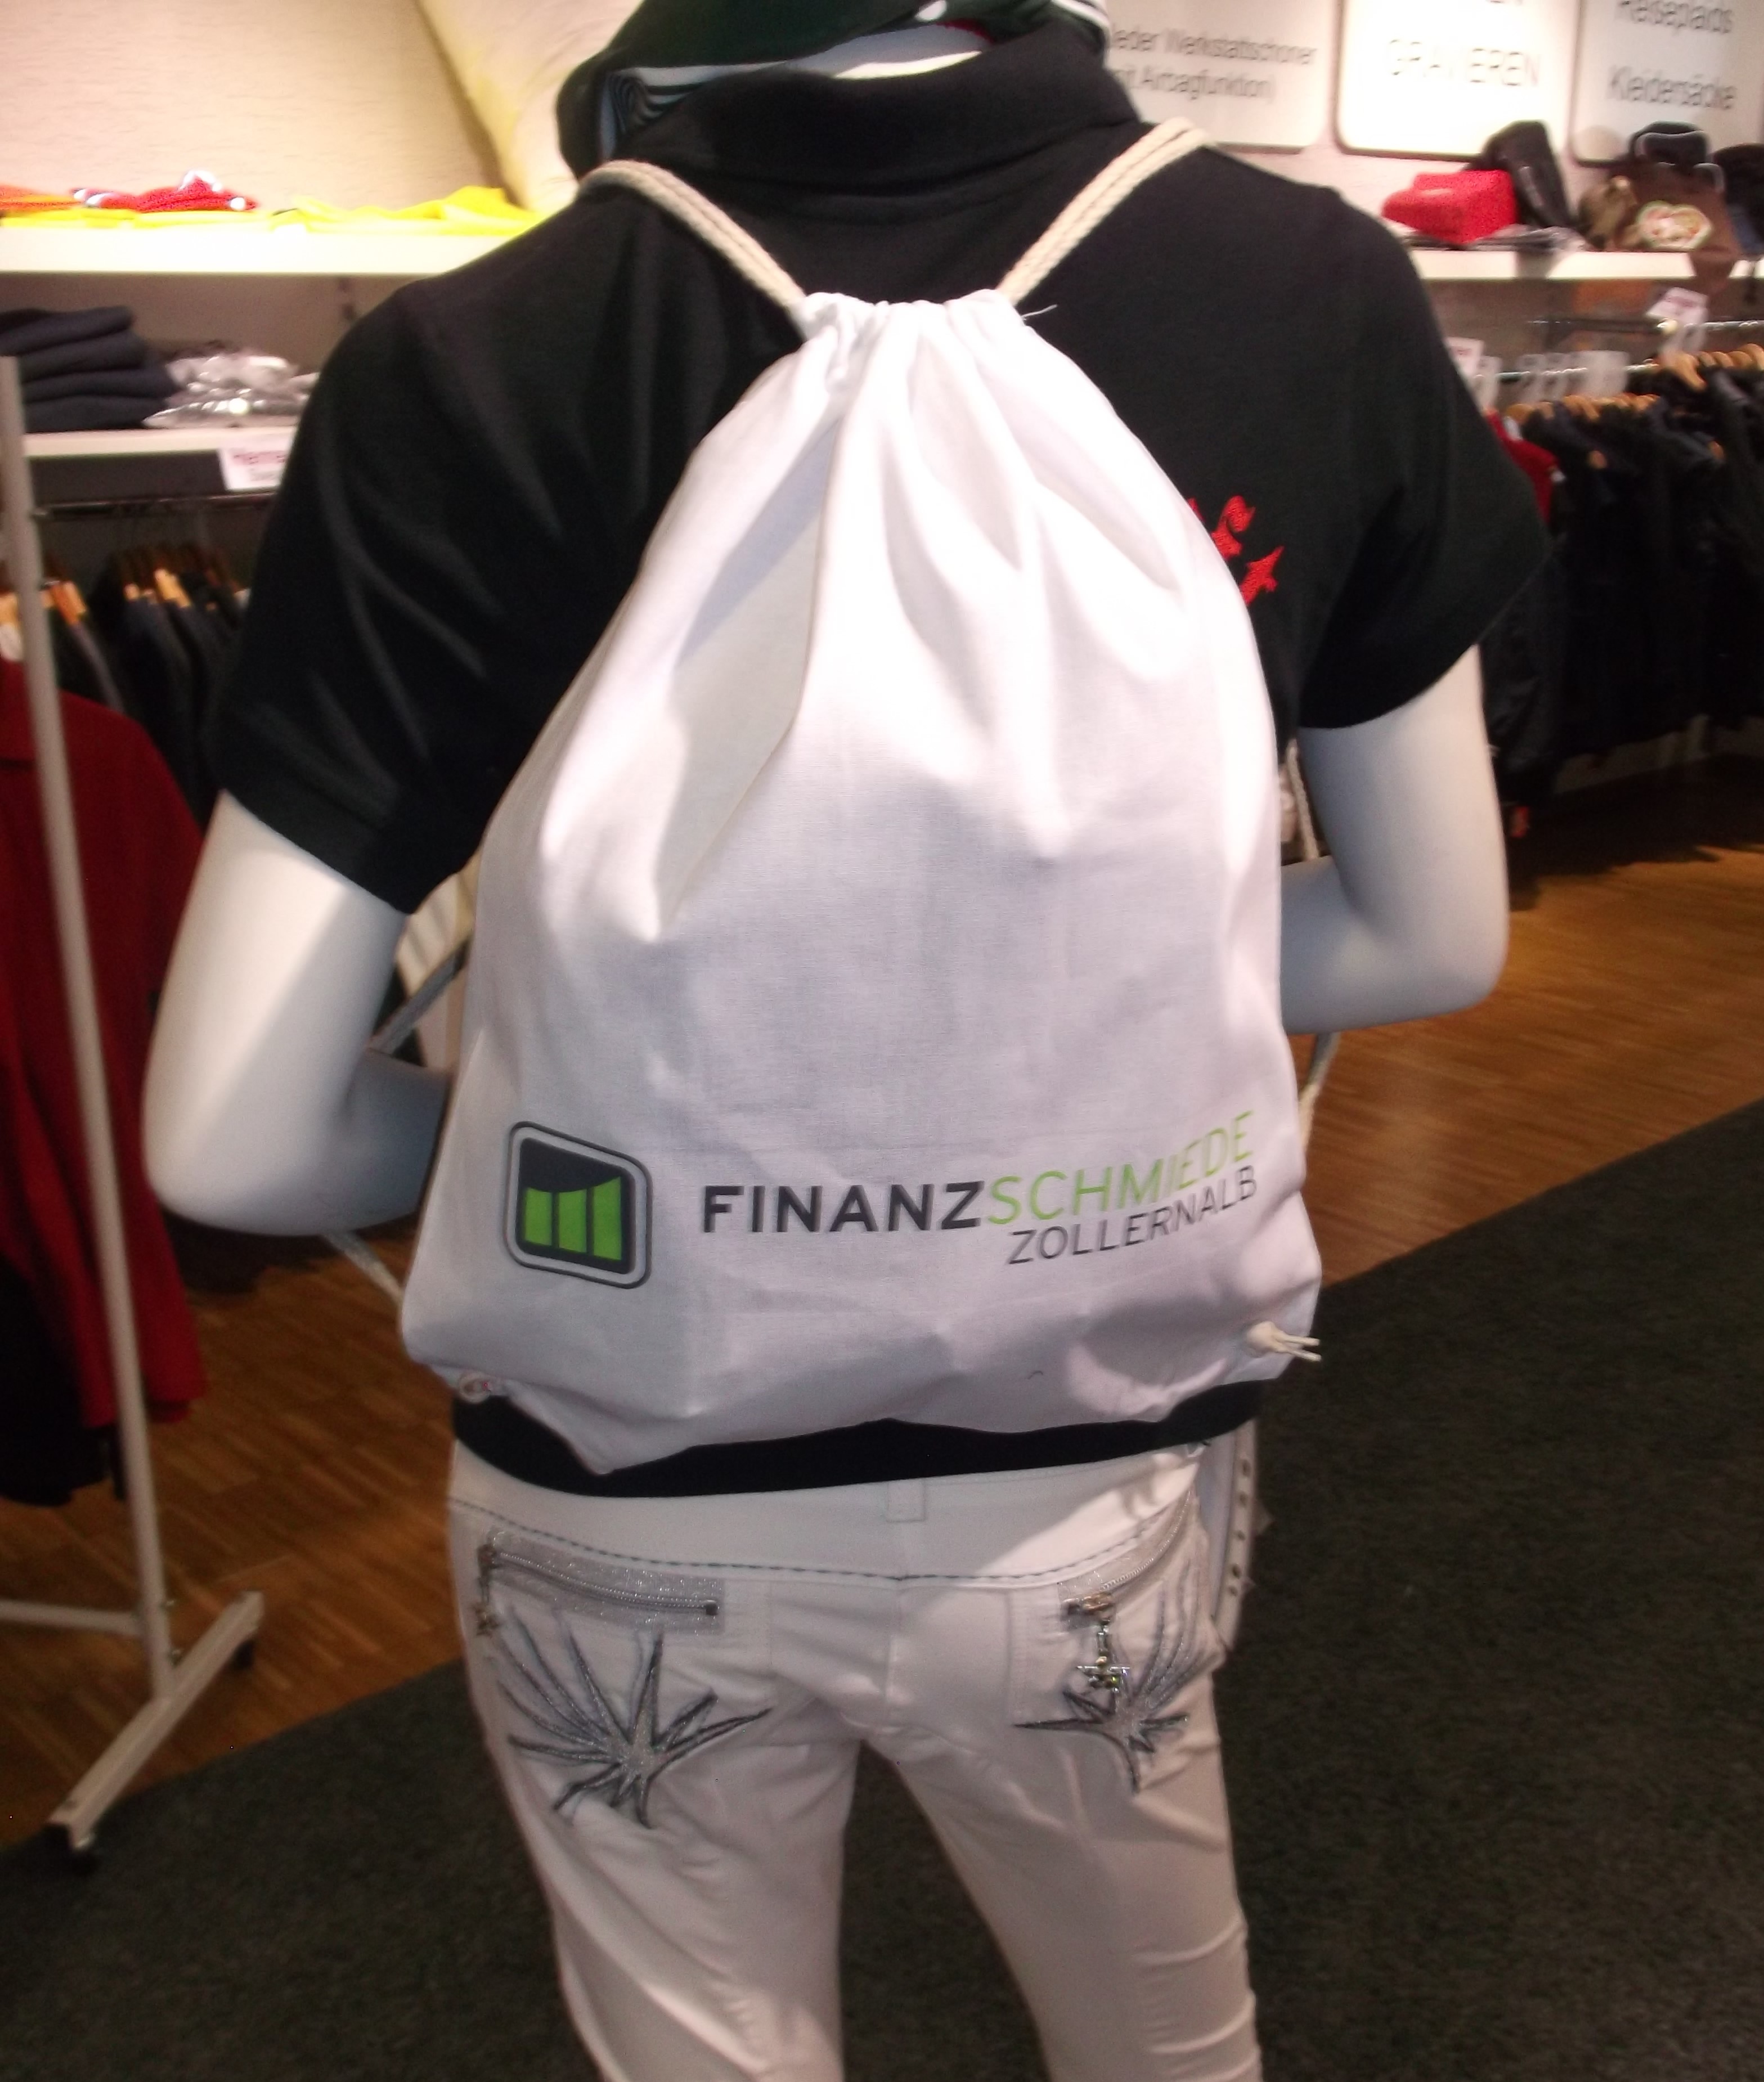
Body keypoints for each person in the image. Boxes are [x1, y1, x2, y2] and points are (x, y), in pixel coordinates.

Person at [145, 7, 1547, 2078]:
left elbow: (234, 1146)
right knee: (1167, 2041)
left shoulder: (464, 353)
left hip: (618, 1494)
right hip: (1082, 1481)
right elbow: (1430, 936)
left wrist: (630, 1131)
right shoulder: (1312, 286)